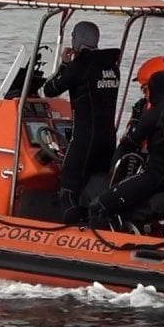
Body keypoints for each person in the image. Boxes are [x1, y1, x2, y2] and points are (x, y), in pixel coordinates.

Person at [91, 70, 164, 228]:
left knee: (99, 205)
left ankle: (99, 244)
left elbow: (130, 144)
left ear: (153, 90)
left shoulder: (155, 113)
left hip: (154, 179)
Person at [42, 21, 121, 224]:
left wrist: (64, 65)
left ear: (78, 40)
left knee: (67, 188)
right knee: (95, 186)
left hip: (85, 139)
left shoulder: (80, 66)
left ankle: (69, 233)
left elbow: (50, 89)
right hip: (108, 140)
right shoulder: (112, 67)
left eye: (73, 36)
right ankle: (96, 224)